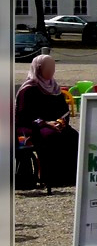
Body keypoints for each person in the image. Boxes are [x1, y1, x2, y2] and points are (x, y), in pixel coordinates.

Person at [14, 54, 79, 188]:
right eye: (47, 68)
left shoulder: (55, 88)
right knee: (49, 136)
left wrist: (61, 122)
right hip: (31, 126)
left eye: (53, 68)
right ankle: (50, 178)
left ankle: (69, 177)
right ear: (38, 69)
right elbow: (24, 115)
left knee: (72, 135)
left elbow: (64, 110)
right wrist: (44, 123)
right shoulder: (28, 90)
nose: (51, 71)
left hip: (54, 124)